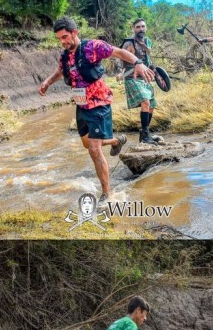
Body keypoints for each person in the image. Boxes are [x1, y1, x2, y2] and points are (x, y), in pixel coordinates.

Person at [39, 17, 154, 202]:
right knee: (87, 144)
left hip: (99, 103)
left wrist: (138, 62)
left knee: (93, 148)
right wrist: (47, 82)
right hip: (81, 105)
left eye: (65, 37)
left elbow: (119, 52)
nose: (63, 41)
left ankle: (106, 194)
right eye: (59, 38)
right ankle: (117, 140)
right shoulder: (65, 55)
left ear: (75, 33)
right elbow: (60, 72)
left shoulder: (92, 47)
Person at [120, 18, 159, 144]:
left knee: (152, 105)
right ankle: (146, 137)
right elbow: (119, 56)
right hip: (132, 76)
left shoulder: (148, 42)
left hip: (145, 76)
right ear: (133, 29)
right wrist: (119, 71)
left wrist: (156, 71)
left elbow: (147, 60)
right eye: (138, 27)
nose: (141, 29)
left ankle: (144, 134)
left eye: (143, 26)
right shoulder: (129, 42)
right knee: (146, 101)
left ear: (146, 28)